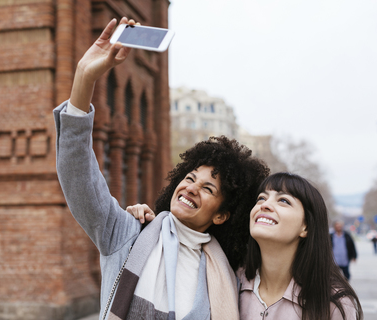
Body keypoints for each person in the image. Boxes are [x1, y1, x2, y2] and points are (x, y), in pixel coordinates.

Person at [54, 17, 270, 320]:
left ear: (222, 214)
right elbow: (77, 172)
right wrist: (84, 77)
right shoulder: (127, 235)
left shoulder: (229, 277)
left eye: (208, 188)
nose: (192, 187)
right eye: (191, 177)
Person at [130, 173, 363, 319]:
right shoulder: (227, 279)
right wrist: (150, 224)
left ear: (306, 227)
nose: (265, 205)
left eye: (283, 200)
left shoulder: (334, 303)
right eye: (261, 198)